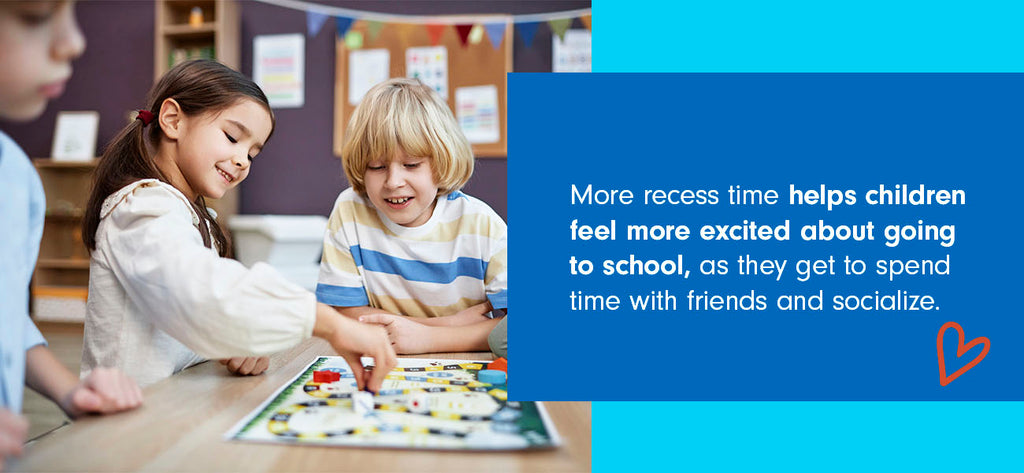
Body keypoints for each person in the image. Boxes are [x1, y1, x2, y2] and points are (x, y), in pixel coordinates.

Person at [79, 59, 396, 389]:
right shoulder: (141, 208)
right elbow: (196, 286)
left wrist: (233, 343)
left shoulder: (189, 213)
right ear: (173, 120)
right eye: (232, 137)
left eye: (253, 153)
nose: (243, 160)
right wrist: (331, 324)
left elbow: (190, 319)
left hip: (170, 408)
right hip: (125, 422)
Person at [0, 1, 142, 470]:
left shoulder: (15, 178)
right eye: (37, 17)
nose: (75, 41)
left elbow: (7, 325)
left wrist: (70, 391)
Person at [317, 78, 507, 355]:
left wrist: (428, 338)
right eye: (377, 166)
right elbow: (343, 314)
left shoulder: (482, 224)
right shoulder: (350, 212)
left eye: (411, 164)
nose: (393, 181)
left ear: (441, 163)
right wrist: (447, 324)